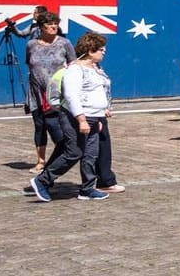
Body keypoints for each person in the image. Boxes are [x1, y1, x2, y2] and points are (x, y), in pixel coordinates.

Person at [31, 32, 116, 201]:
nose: (104, 52)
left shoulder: (96, 69)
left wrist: (101, 112)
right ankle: (42, 180)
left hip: (94, 117)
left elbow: (98, 91)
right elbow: (72, 96)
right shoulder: (75, 70)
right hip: (75, 118)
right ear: (90, 51)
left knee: (91, 154)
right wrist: (81, 119)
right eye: (100, 49)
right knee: (73, 152)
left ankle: (87, 188)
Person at [25, 12, 75, 174]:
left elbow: (73, 64)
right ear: (41, 27)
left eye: (56, 23)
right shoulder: (31, 44)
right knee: (39, 125)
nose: (54, 26)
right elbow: (30, 64)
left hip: (57, 93)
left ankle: (61, 157)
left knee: (56, 128)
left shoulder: (64, 43)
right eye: (50, 24)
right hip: (36, 92)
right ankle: (41, 161)